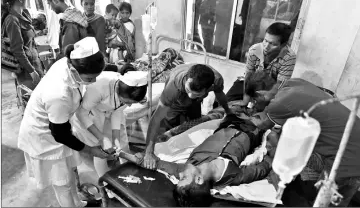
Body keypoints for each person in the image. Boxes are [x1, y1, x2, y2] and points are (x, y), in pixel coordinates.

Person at [17, 37, 114, 207]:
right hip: (43, 136)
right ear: (75, 69)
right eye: (91, 78)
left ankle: (78, 203)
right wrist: (92, 150)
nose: (93, 82)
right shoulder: (59, 93)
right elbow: (60, 134)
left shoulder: (68, 62)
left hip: (58, 126)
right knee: (61, 183)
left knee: (70, 174)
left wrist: (100, 138)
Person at [245, 71, 360, 207]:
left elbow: (262, 124)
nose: (254, 104)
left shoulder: (279, 103)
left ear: (260, 94)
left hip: (345, 159)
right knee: (340, 198)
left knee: (325, 202)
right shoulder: (294, 82)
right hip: (354, 137)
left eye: (254, 100)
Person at [122, 114, 272, 207]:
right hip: (251, 130)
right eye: (184, 178)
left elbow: (152, 163)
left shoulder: (186, 168)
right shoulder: (233, 176)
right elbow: (263, 168)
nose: (179, 175)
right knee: (265, 113)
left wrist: (122, 154)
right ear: (199, 179)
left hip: (227, 123)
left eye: (180, 178)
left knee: (236, 108)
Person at [143, 63, 233, 169]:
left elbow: (220, 94)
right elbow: (156, 119)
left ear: (209, 88)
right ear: (187, 79)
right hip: (176, 100)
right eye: (189, 90)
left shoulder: (216, 80)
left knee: (195, 124)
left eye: (196, 94)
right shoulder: (173, 88)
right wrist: (148, 152)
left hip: (196, 102)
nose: (190, 96)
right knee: (170, 127)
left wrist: (228, 111)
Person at [72, 68, 148, 178]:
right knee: (101, 149)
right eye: (127, 102)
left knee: (121, 143)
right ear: (117, 89)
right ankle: (105, 182)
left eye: (132, 103)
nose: (130, 106)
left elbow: (117, 111)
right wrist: (102, 138)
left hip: (108, 112)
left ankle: (128, 174)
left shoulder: (128, 93)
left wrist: (116, 139)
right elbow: (81, 113)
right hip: (91, 114)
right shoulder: (98, 87)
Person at [220, 22, 296, 108]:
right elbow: (248, 75)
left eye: (273, 44)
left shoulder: (289, 57)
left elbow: (280, 84)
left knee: (263, 111)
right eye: (265, 41)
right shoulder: (254, 50)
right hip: (251, 83)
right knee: (226, 102)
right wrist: (245, 101)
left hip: (271, 88)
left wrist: (266, 98)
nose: (266, 46)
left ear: (283, 44)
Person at [2, 0, 44, 90]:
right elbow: (17, 50)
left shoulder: (25, 14)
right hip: (26, 71)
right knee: (32, 100)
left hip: (36, 64)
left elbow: (29, 42)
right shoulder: (12, 20)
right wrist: (32, 72)